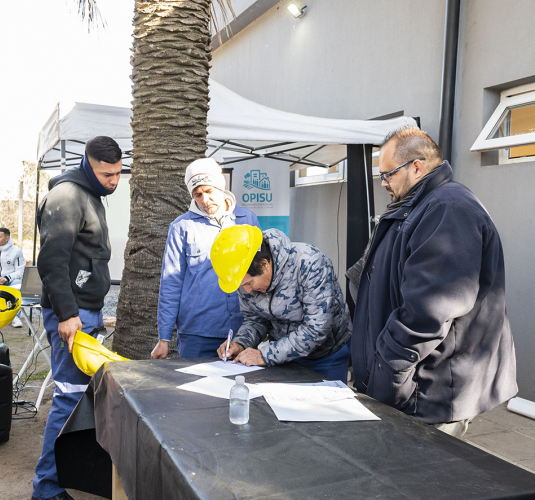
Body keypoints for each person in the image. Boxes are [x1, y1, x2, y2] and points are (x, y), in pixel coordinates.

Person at [349, 126, 517, 438]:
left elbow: (427, 313)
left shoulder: (446, 209)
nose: (383, 182)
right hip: (416, 387)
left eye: (388, 174)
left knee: (420, 483)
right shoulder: (418, 205)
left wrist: (390, 381)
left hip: (429, 394)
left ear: (416, 166)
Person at [31, 136, 123, 500]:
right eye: (106, 174)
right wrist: (68, 315)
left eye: (117, 174)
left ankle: (68, 479)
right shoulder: (67, 196)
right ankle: (47, 489)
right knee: (69, 399)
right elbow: (51, 263)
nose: (113, 181)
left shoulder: (91, 194)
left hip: (85, 311)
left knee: (84, 398)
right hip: (71, 315)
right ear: (87, 162)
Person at [210, 226, 352, 381]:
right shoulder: (244, 278)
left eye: (249, 283)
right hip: (281, 358)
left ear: (264, 264)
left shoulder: (310, 262)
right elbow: (254, 319)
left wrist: (266, 355)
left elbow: (316, 329)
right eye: (242, 286)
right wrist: (240, 343)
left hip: (325, 356)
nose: (247, 290)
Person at [151, 158, 260, 359]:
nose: (204, 200)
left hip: (240, 330)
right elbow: (171, 283)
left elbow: (260, 272)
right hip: (196, 333)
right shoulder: (181, 227)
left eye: (209, 191)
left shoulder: (248, 220)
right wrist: (164, 338)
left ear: (221, 187)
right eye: (197, 194)